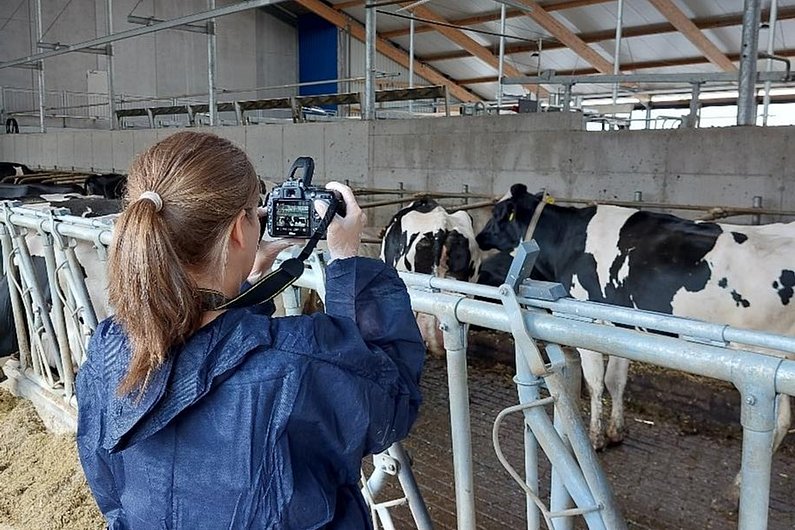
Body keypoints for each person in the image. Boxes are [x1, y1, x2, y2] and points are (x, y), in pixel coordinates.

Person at [75, 131, 426, 529]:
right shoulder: (296, 364)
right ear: (240, 231)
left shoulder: (110, 348)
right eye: (254, 211)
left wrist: (250, 271)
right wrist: (347, 260)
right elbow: (390, 392)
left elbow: (105, 479)